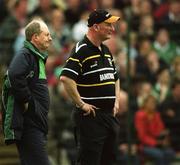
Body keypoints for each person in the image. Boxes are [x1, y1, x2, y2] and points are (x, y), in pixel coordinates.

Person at [60, 9, 120, 165]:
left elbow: (115, 78)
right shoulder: (81, 49)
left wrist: (116, 101)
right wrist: (81, 104)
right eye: (109, 24)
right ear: (96, 27)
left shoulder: (106, 50)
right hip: (91, 119)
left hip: (109, 117)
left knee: (110, 161)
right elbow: (66, 78)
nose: (113, 29)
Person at [1, 19, 52, 165]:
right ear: (35, 37)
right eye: (46, 35)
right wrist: (27, 101)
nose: (50, 38)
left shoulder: (36, 57)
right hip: (30, 124)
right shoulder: (25, 54)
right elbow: (14, 76)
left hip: (36, 123)